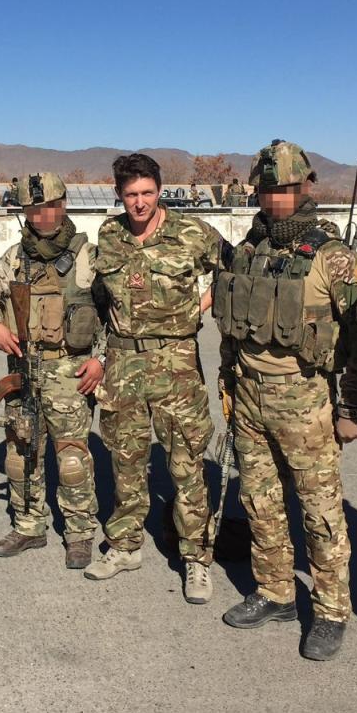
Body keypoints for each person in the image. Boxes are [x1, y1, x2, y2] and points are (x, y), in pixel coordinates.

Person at [214, 140, 357, 660]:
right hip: (248, 396)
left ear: (307, 186)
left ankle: (331, 611)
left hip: (305, 401)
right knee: (260, 501)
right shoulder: (249, 249)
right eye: (267, 189)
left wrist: (350, 408)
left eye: (285, 188)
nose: (275, 198)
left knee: (319, 510)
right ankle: (275, 592)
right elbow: (232, 328)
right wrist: (227, 380)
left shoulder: (333, 256)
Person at [83, 153, 218, 604]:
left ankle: (196, 557)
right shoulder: (110, 234)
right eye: (130, 195)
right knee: (126, 462)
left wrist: (193, 311)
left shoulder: (191, 233)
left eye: (147, 193)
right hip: (123, 364)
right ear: (119, 195)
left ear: (160, 190)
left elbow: (235, 272)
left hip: (175, 364)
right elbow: (103, 300)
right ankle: (124, 545)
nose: (139, 203)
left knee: (186, 464)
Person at [0, 172, 105, 569]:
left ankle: (80, 532)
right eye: (34, 209)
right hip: (22, 371)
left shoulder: (88, 256)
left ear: (63, 204)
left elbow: (116, 314)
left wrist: (99, 358)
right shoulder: (14, 258)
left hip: (68, 373)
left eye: (50, 206)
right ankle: (29, 525)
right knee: (21, 453)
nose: (43, 216)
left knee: (71, 459)